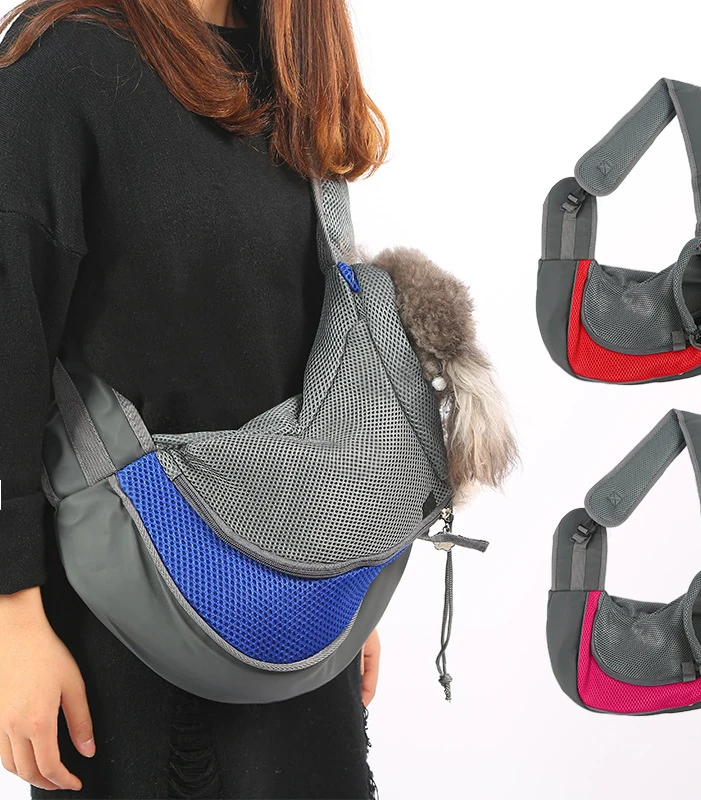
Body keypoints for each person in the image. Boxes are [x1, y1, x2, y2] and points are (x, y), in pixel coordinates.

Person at [0, 0, 387, 796]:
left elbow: (309, 358)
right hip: (125, 634)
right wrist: (11, 618)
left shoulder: (290, 64)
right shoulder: (62, 63)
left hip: (299, 607)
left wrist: (345, 581)